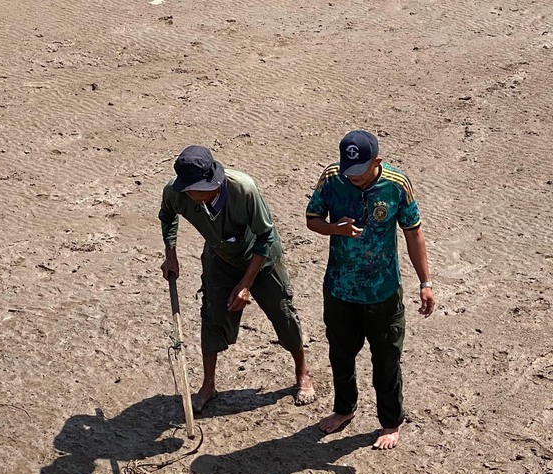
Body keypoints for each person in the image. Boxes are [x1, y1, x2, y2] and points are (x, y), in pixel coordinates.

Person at [160, 145, 315, 412]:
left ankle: (302, 372)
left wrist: (246, 284)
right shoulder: (176, 192)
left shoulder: (244, 189)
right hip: (220, 256)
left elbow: (265, 236)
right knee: (212, 316)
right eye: (189, 190)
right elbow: (167, 215)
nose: (193, 195)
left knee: (283, 313)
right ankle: (208, 385)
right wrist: (170, 254)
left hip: (261, 257)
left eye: (199, 189)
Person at [306, 130, 435, 449]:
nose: (354, 178)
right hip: (340, 289)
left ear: (377, 161)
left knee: (386, 360)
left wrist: (425, 283)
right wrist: (335, 229)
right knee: (340, 355)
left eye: (360, 172)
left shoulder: (396, 184)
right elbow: (312, 219)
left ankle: (390, 423)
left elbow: (413, 233)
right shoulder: (332, 178)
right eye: (349, 171)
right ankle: (344, 409)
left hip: (383, 291)